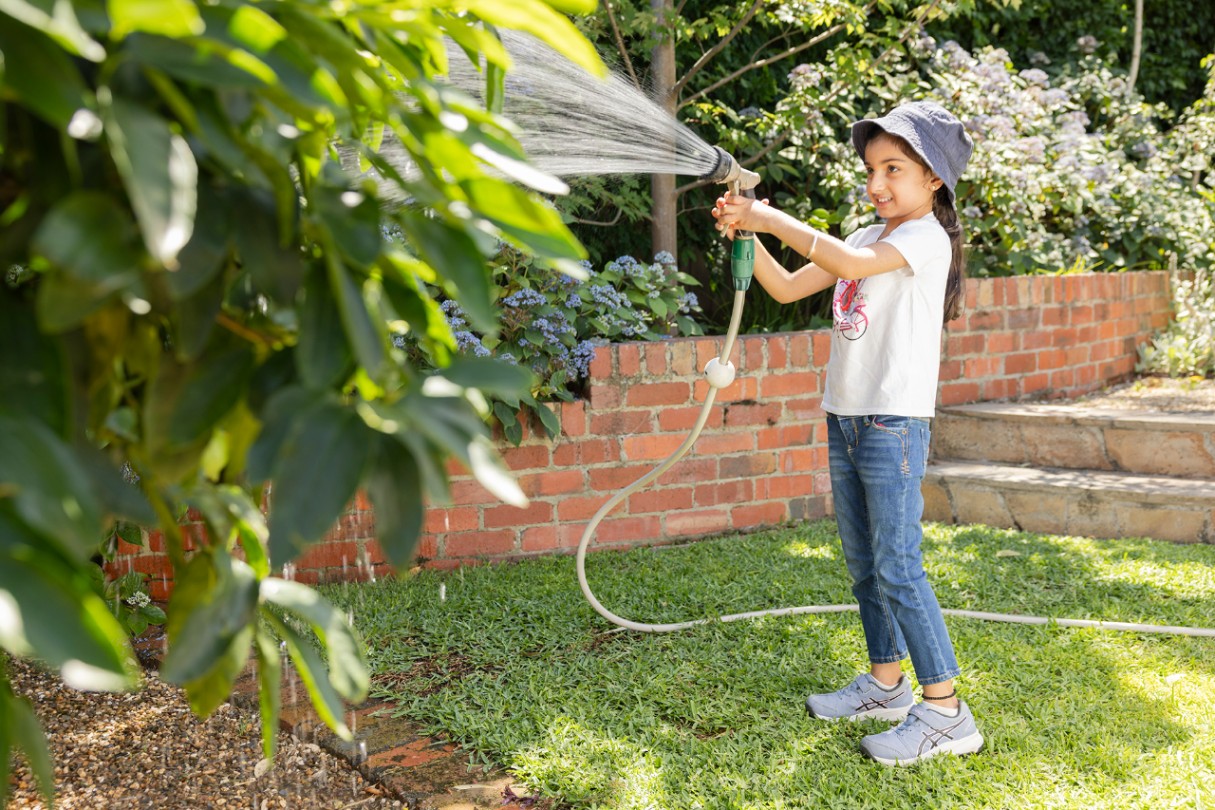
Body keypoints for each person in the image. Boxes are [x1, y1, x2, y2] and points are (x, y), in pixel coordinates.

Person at [711, 100, 983, 766]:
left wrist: (770, 216)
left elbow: (849, 266)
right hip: (846, 414)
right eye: (870, 168)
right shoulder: (865, 236)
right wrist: (747, 236)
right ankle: (885, 684)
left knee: (898, 566)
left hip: (892, 421)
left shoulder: (924, 239)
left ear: (933, 180)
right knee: (866, 568)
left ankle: (946, 712)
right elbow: (784, 287)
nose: (876, 183)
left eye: (893, 168)